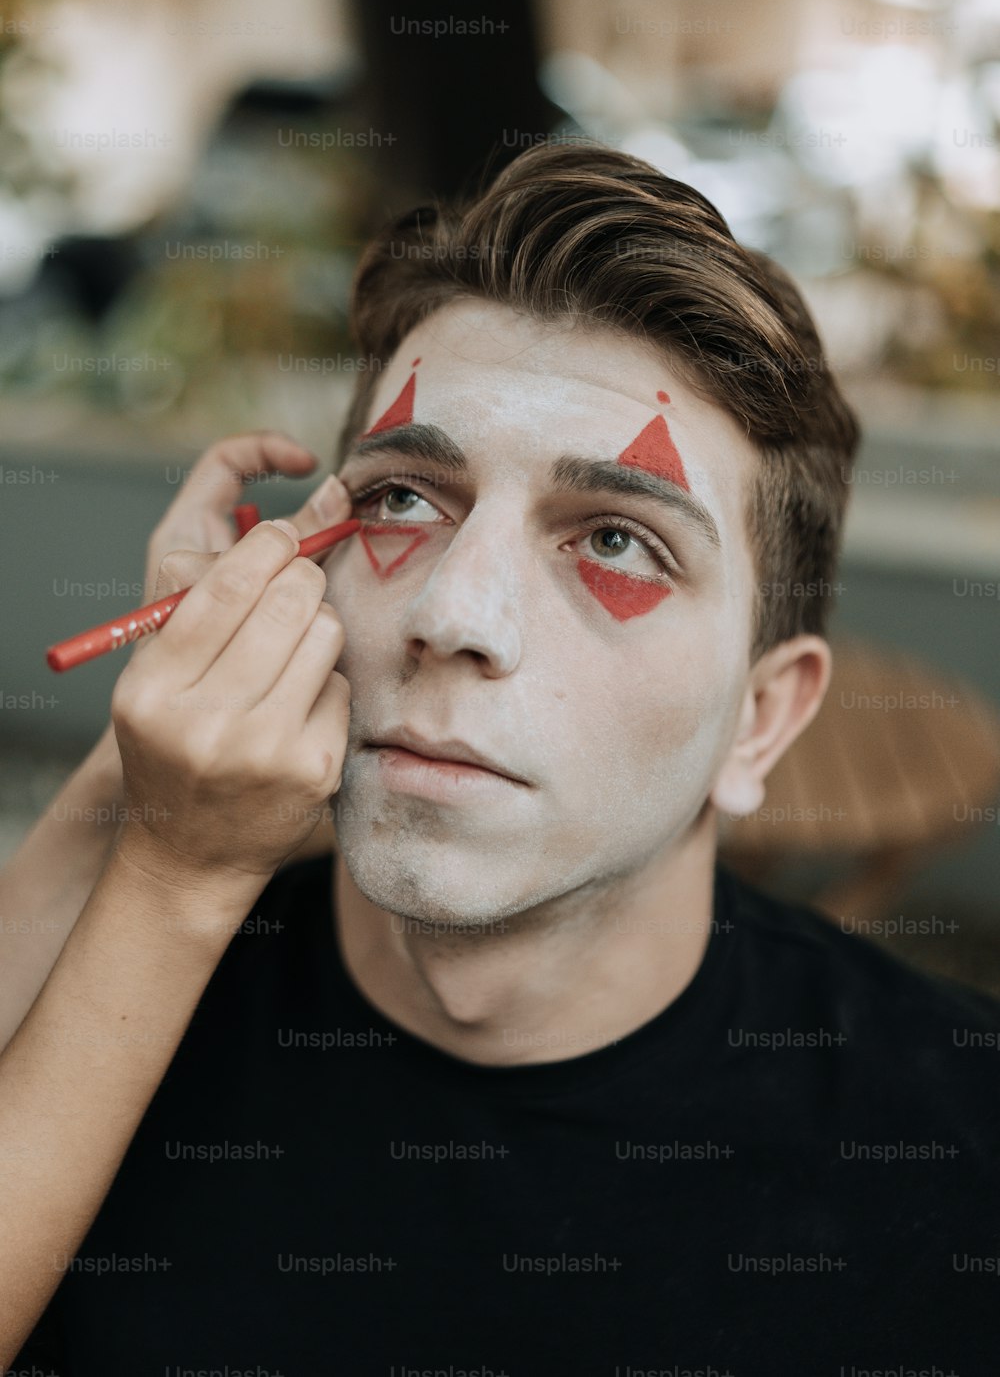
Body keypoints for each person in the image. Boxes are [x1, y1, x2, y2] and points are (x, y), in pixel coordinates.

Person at [3, 143, 999, 1375]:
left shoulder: (960, 1156)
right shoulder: (101, 1003)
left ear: (761, 722)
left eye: (620, 539)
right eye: (408, 500)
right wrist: (140, 796)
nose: (453, 613)